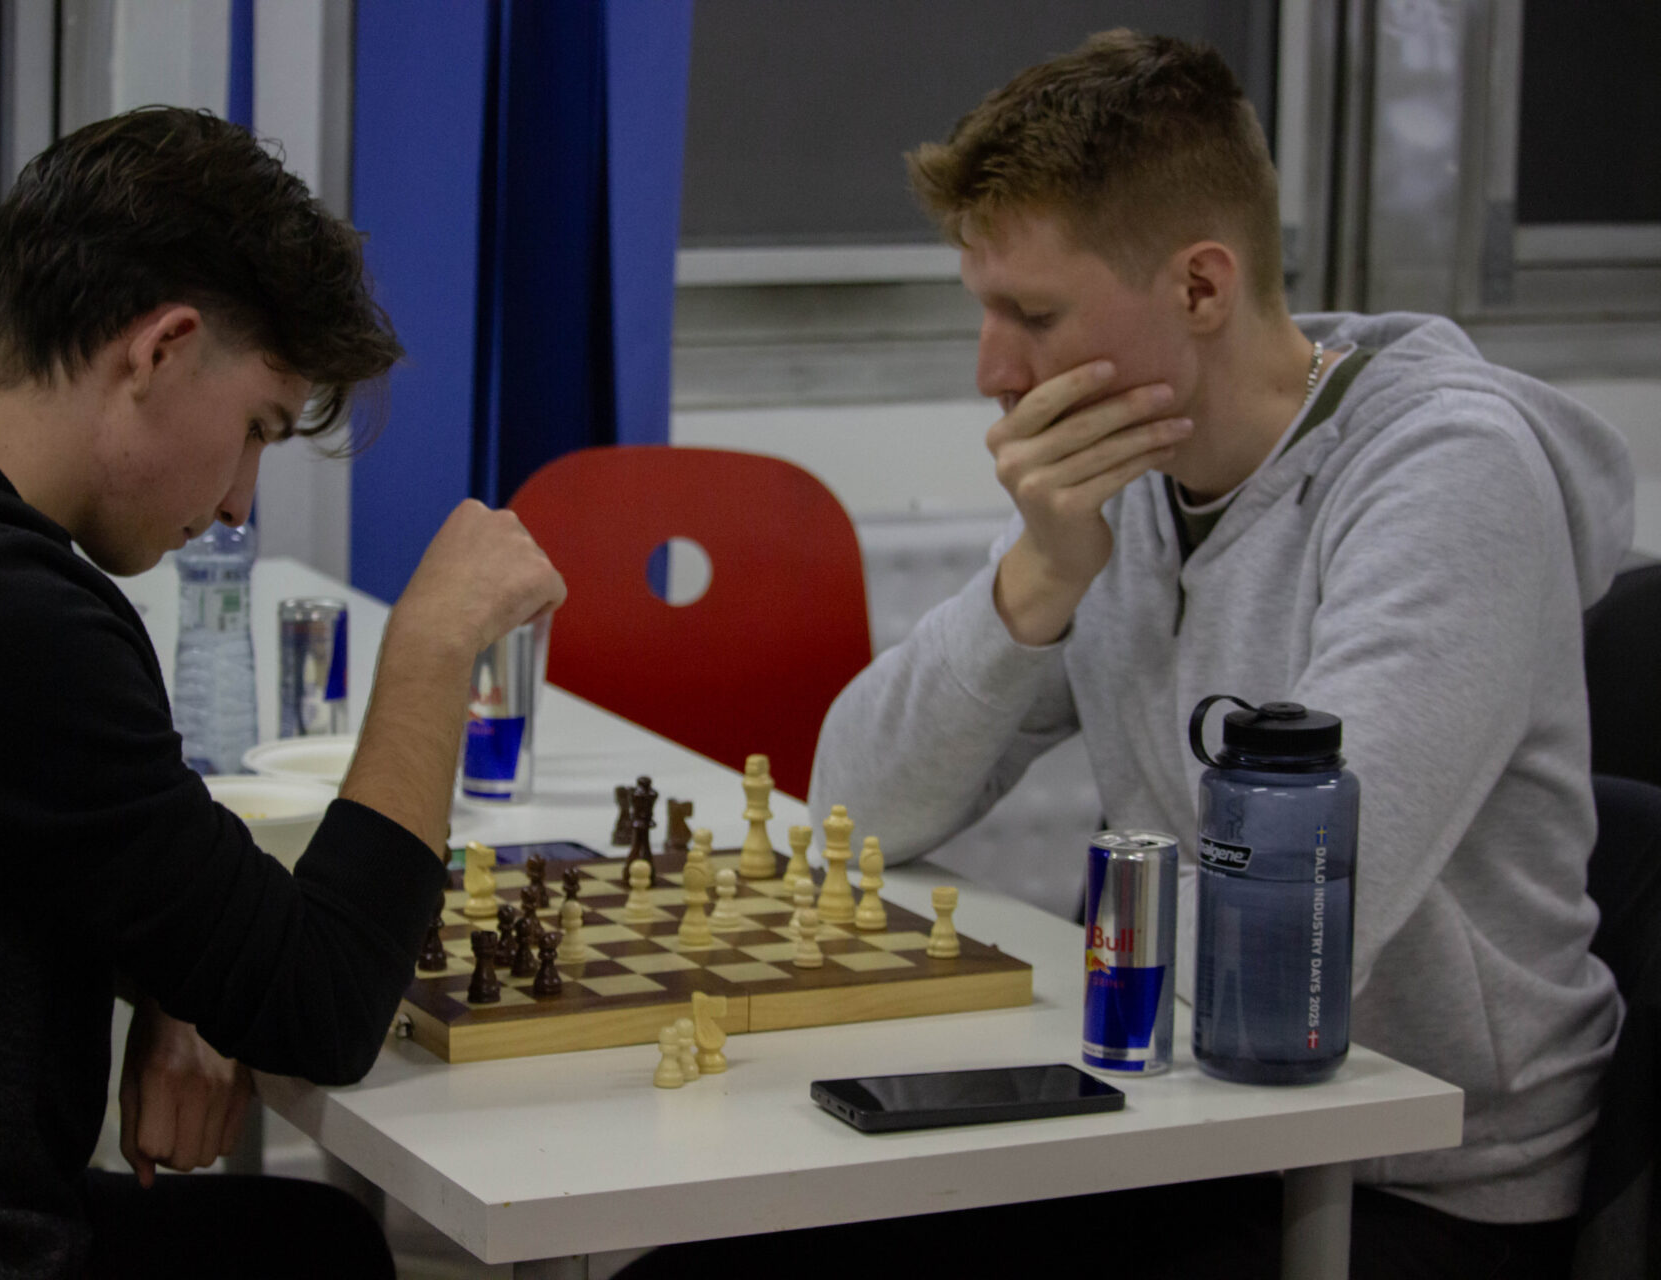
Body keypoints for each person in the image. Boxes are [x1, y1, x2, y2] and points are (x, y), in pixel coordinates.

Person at [623, 29, 1631, 1280]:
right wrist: (1039, 577)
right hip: (1180, 1121)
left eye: (1033, 315)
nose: (992, 371)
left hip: (1421, 1176)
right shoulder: (1128, 477)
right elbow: (852, 806)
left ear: (1201, 288)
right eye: (986, 309)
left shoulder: (1448, 475)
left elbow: (1280, 947)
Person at [0, 106, 564, 1277]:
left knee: (307, 1237)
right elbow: (324, 1002)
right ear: (161, 350)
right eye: (256, 429)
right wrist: (434, 643)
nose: (238, 502)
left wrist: (180, 969)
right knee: (322, 1254)